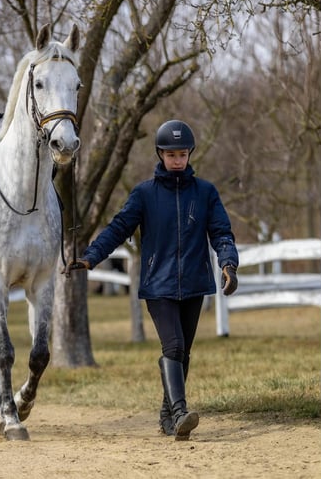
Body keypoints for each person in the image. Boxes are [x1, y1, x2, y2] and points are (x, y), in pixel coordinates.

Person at [66, 119, 239, 441]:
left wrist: (229, 264)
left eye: (183, 154)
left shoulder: (205, 192)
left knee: (183, 352)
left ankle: (167, 417)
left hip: (194, 282)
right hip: (158, 284)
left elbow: (221, 232)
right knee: (172, 345)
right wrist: (91, 256)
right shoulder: (144, 194)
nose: (177, 160)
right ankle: (179, 412)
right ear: (160, 154)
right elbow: (119, 228)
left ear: (190, 154)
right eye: (171, 154)